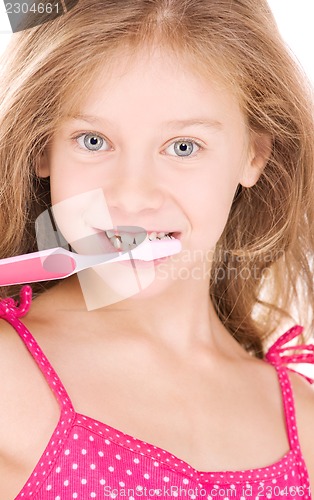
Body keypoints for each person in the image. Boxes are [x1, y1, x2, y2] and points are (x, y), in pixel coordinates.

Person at [0, 0, 314, 498]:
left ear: (253, 155)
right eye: (93, 141)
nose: (132, 196)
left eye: (183, 147)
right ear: (43, 148)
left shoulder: (302, 418)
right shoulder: (8, 373)